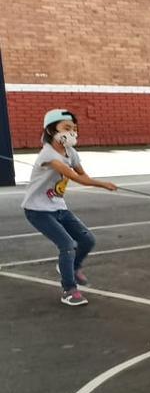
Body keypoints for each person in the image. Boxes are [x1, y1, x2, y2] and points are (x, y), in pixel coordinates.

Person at [21, 109, 117, 306]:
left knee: (87, 240)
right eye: (66, 128)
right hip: (37, 210)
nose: (72, 132)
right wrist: (103, 184)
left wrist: (97, 182)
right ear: (51, 130)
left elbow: (83, 175)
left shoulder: (71, 152)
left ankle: (72, 267)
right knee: (67, 245)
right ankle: (69, 289)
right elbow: (73, 177)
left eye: (74, 128)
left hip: (58, 207)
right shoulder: (47, 154)